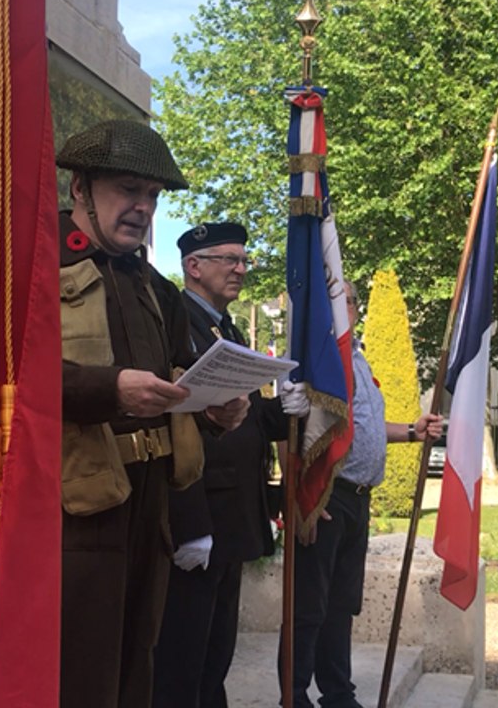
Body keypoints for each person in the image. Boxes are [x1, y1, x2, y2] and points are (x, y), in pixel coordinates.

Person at [55, 120, 250, 708]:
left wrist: (213, 408)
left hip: (151, 506)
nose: (142, 207)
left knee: (140, 666)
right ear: (79, 190)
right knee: (79, 675)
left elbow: (176, 375)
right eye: (127, 189)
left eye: (153, 196)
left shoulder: (151, 285)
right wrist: (108, 390)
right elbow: (2, 377)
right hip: (70, 512)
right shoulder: (30, 267)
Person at [153, 222, 310, 708]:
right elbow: (173, 425)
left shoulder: (228, 326)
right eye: (228, 259)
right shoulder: (172, 318)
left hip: (233, 514)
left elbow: (237, 416)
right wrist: (189, 520)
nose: (241, 269)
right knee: (183, 657)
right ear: (193, 266)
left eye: (244, 260)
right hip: (200, 514)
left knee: (216, 652)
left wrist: (280, 408)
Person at [282, 279, 444, 708]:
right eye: (337, 301)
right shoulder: (315, 362)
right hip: (326, 499)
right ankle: (293, 696)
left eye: (350, 301)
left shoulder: (356, 360)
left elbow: (363, 430)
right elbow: (289, 433)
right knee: (308, 610)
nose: (346, 308)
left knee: (341, 607)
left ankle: (337, 695)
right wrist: (302, 500)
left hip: (357, 499)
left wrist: (412, 431)